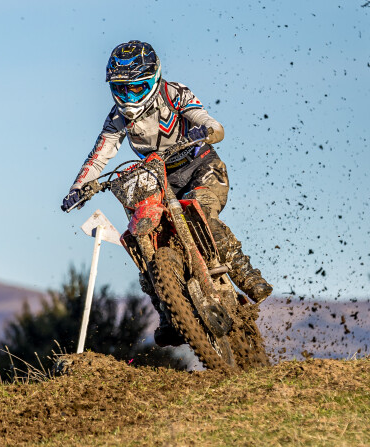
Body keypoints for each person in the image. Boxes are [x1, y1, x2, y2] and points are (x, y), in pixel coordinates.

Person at [61, 40, 271, 345]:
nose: (129, 96)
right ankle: (168, 310)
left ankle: (247, 275)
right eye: (121, 89)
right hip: (158, 177)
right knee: (142, 237)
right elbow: (99, 156)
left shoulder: (173, 93)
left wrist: (210, 128)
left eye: (136, 87)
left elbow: (205, 118)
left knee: (202, 212)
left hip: (200, 166)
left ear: (153, 79)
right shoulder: (117, 118)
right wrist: (78, 188)